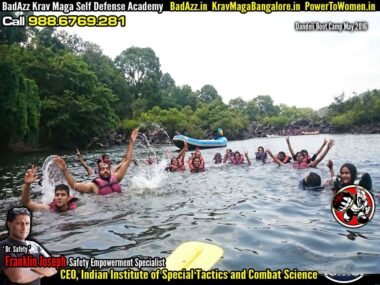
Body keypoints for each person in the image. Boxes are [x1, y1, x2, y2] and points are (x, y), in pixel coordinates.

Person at [54, 128, 139, 195]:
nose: (105, 170)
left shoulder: (116, 177)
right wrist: (64, 170)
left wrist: (131, 142)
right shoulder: (93, 186)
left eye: (107, 169)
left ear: (110, 170)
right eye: (102, 169)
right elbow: (74, 185)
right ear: (98, 172)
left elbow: (127, 161)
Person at [0, 207, 57, 285]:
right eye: (19, 223)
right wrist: (41, 271)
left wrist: (30, 267)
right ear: (9, 224)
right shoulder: (3, 247)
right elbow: (18, 277)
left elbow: (53, 269)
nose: (24, 228)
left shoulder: (35, 246)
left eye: (27, 223)